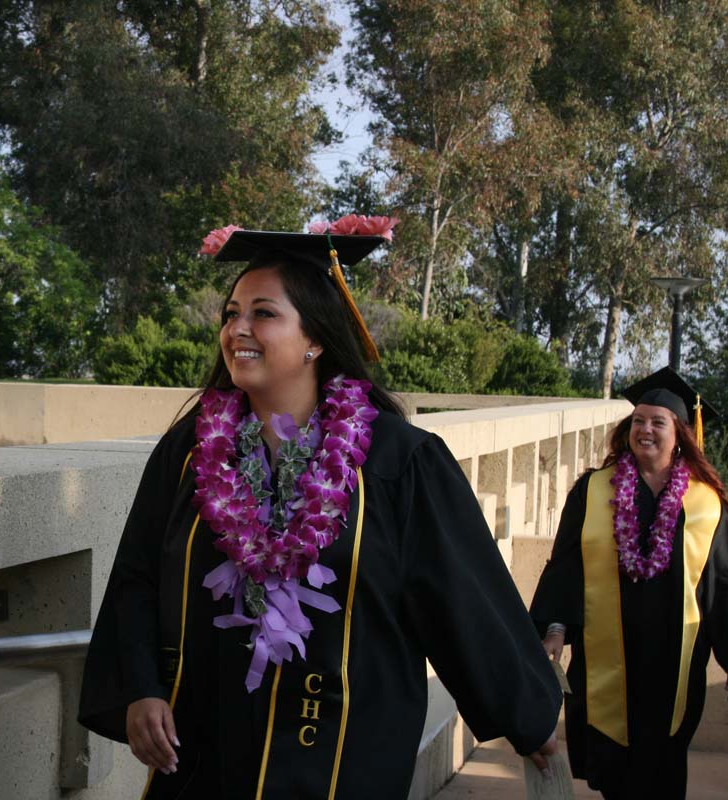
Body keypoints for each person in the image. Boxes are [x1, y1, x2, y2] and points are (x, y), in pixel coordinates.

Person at [79, 221, 563, 799]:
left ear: (315, 338)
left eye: (263, 314)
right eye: (231, 314)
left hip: (340, 758)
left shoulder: (394, 463)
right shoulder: (191, 451)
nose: (238, 329)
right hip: (207, 752)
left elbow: (458, 593)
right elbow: (137, 574)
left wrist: (525, 715)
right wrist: (141, 686)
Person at [530, 367, 728, 800]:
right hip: (607, 658)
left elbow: (726, 580)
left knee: (662, 770)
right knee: (616, 773)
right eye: (638, 421)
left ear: (679, 433)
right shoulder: (593, 491)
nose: (645, 430)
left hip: (673, 663)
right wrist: (554, 628)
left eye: (657, 422)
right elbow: (566, 565)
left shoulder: (704, 502)